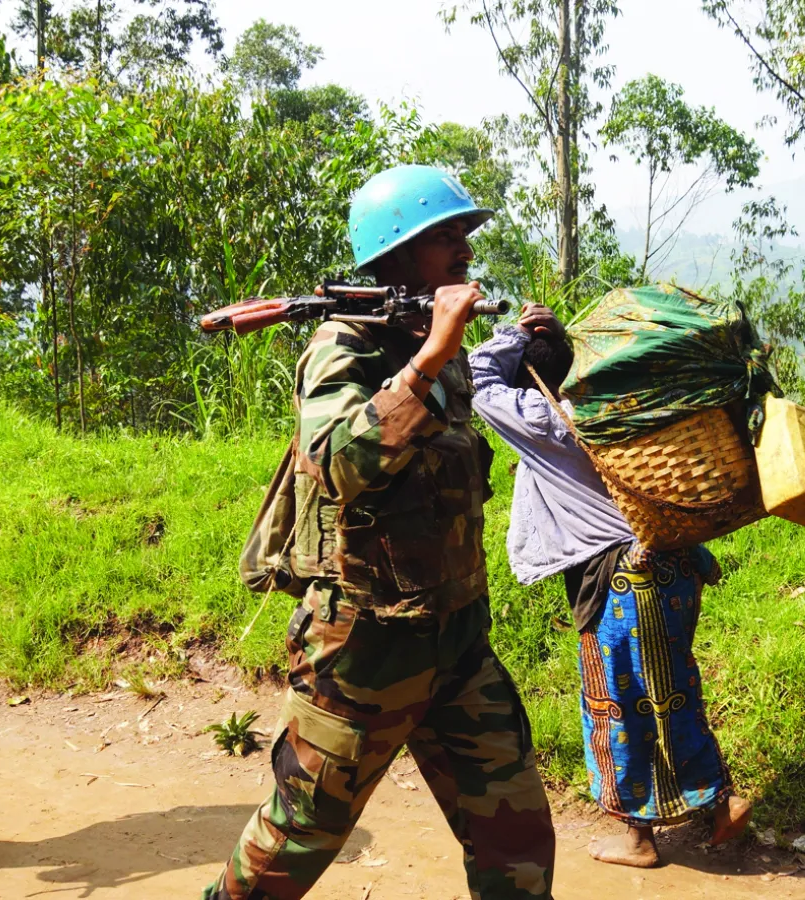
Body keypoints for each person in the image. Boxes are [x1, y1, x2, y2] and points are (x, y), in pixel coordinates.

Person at [204, 165, 556, 900]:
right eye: (444, 235)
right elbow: (339, 462)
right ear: (397, 253)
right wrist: (428, 360)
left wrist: (531, 352)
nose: (464, 247)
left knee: (514, 831)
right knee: (302, 832)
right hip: (364, 649)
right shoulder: (347, 347)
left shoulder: (435, 334)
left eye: (463, 232)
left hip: (457, 638)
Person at [469, 306, 752, 868]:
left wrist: (517, 333)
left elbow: (479, 378)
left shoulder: (542, 416)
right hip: (673, 566)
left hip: (623, 580)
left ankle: (638, 838)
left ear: (529, 376)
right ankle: (720, 806)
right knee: (673, 691)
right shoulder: (613, 409)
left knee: (615, 704)